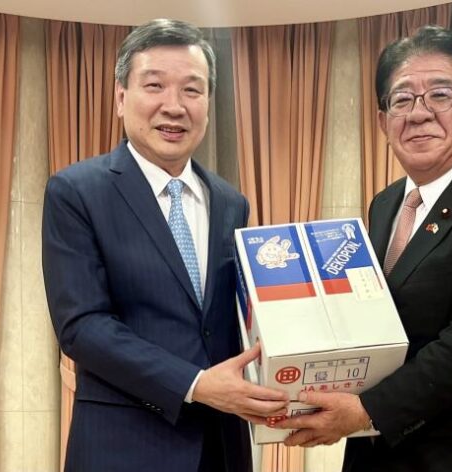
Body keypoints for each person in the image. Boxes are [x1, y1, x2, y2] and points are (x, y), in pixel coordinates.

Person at [274, 25, 452, 472]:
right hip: (375, 453)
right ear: (383, 121)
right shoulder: (385, 204)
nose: (419, 113)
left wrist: (365, 410)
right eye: (402, 99)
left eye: (440, 95)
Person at [42, 19, 288, 472]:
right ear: (121, 97)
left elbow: (230, 323)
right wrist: (195, 384)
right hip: (123, 447)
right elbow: (82, 326)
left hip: (222, 446)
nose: (174, 106)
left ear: (208, 104)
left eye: (192, 90)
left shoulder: (231, 202)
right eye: (154, 86)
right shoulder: (76, 192)